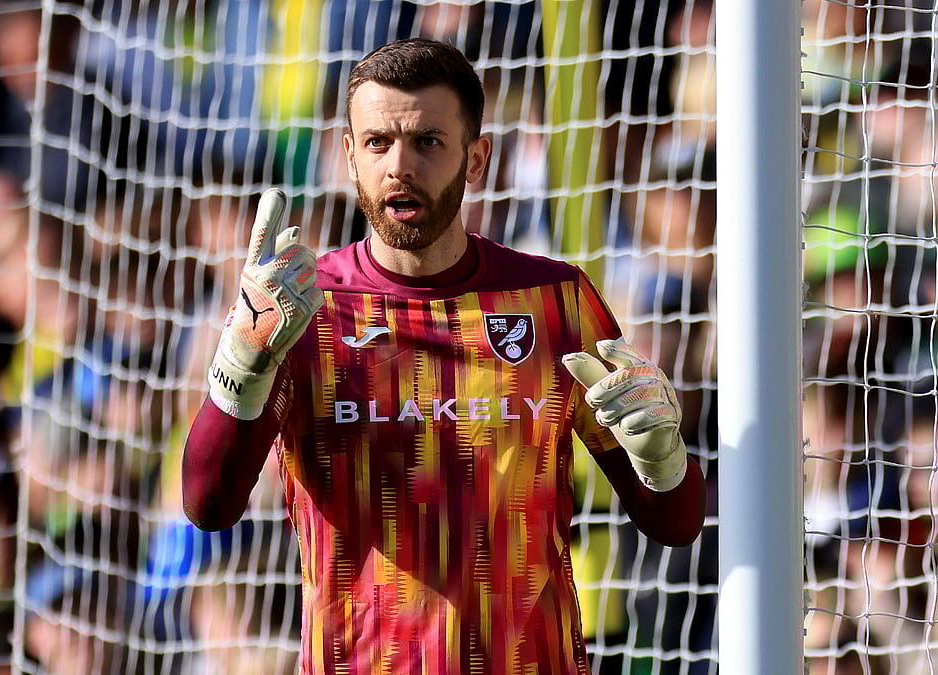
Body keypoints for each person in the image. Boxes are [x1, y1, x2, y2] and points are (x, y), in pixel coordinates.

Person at [182, 38, 706, 674]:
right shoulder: (299, 307)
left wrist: (662, 460)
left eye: (427, 141)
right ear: (348, 156)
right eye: (377, 142)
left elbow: (674, 525)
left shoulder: (554, 300)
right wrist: (241, 364)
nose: (399, 166)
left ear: (476, 158)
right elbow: (209, 506)